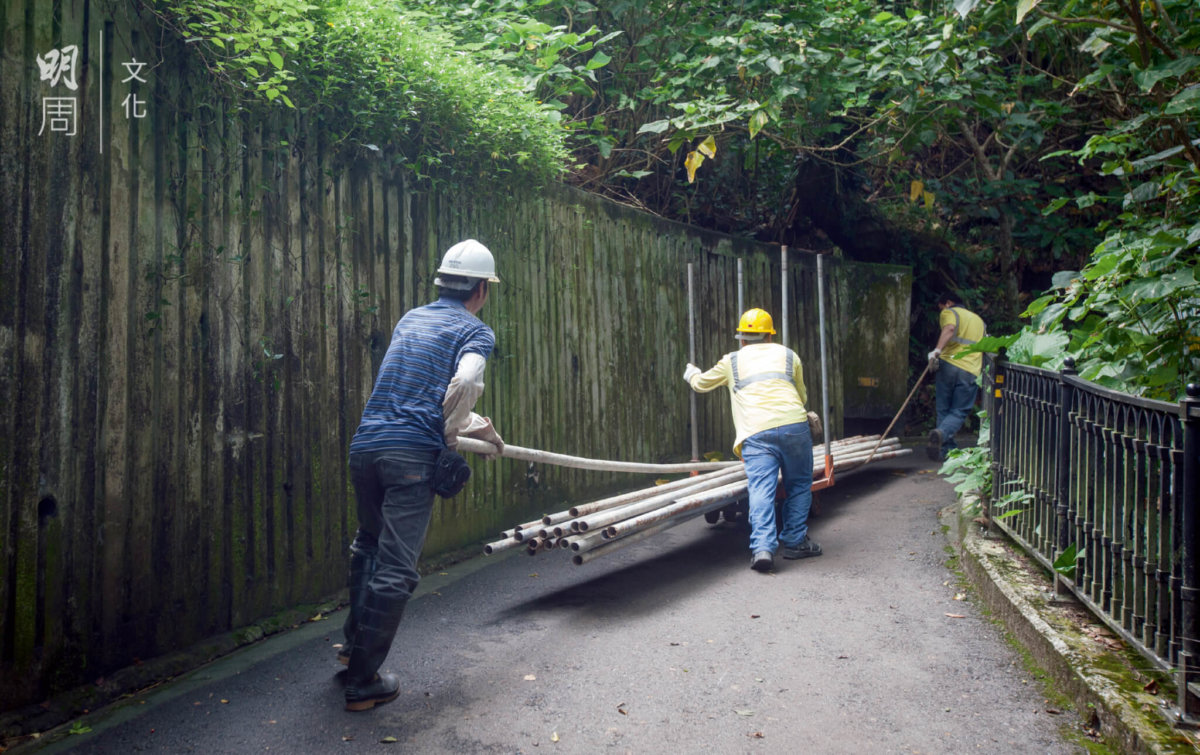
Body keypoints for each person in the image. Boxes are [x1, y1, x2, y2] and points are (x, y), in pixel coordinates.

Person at [340, 239, 505, 711]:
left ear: (441, 283)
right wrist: (450, 433)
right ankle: (363, 681)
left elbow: (422, 393)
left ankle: (353, 648)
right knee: (396, 567)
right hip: (411, 456)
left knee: (367, 545)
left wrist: (483, 431)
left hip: (367, 445)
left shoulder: (410, 319)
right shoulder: (476, 331)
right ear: (480, 289)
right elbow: (468, 383)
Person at [683, 308, 820, 573]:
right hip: (794, 425)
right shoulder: (789, 355)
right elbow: (801, 397)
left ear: (742, 339)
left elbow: (700, 384)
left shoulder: (731, 360)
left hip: (756, 434)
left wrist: (691, 373)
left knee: (761, 489)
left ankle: (762, 549)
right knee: (800, 484)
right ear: (770, 337)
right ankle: (794, 542)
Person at [926, 293, 986, 461]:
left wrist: (937, 350)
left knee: (944, 408)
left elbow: (950, 328)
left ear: (948, 302)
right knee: (959, 410)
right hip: (970, 369)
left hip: (948, 365)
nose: (941, 311)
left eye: (941, 307)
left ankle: (942, 437)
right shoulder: (978, 320)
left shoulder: (950, 312)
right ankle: (948, 448)